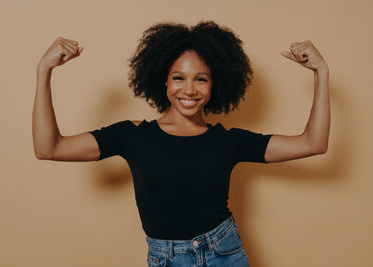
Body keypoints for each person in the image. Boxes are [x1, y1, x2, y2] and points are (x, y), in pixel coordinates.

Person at [32, 20, 330, 267]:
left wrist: (321, 73)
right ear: (163, 79)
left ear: (216, 85)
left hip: (224, 253)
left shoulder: (230, 141)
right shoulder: (131, 135)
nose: (189, 89)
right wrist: (44, 70)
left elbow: (312, 143)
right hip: (167, 258)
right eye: (178, 77)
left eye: (201, 79)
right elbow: (49, 148)